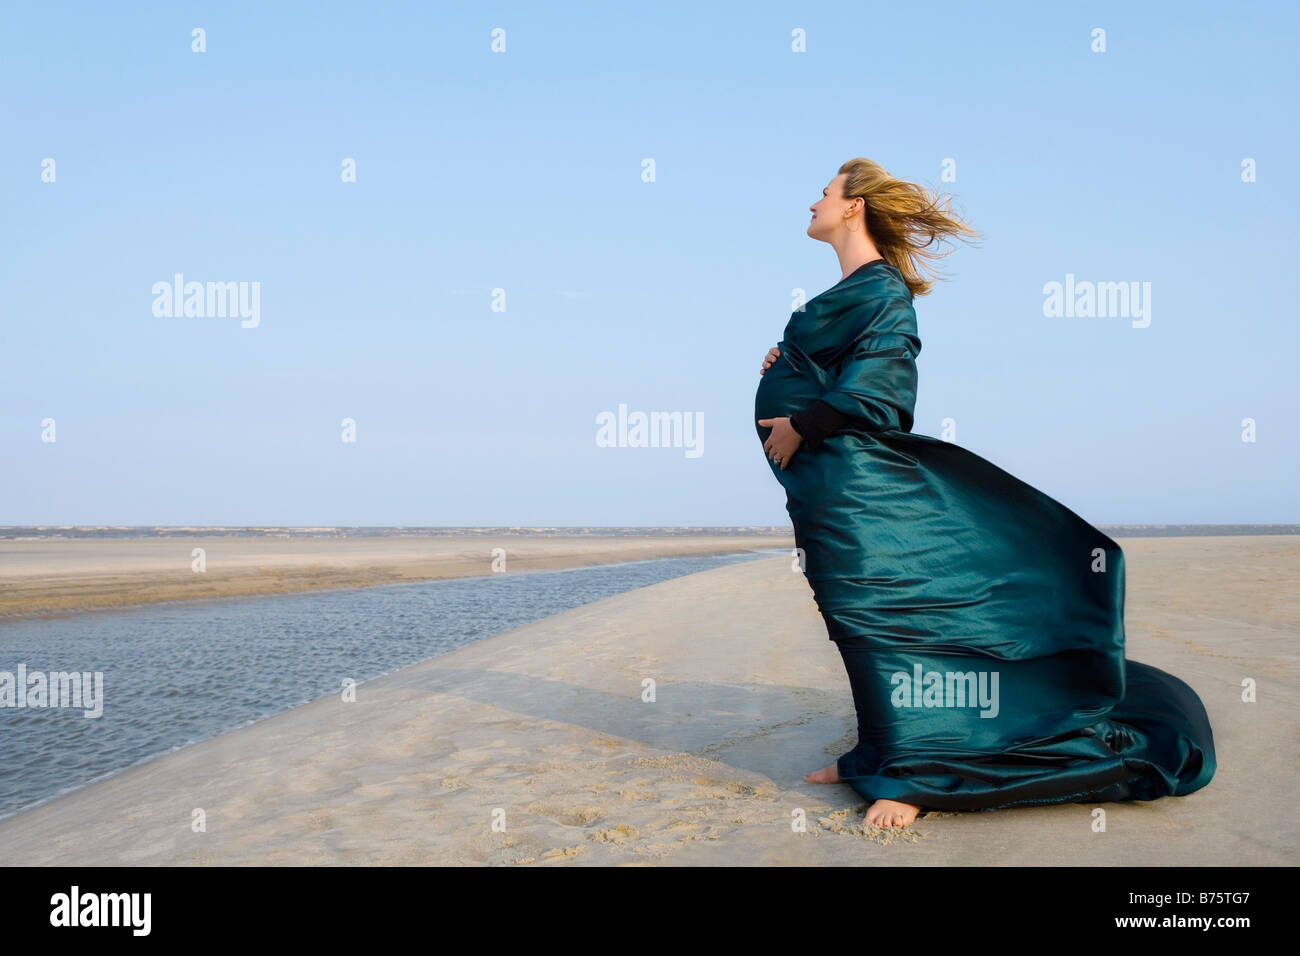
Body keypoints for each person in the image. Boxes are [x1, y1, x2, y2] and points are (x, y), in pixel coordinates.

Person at [754, 157, 1216, 828]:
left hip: (859, 491)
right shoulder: (851, 289)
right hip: (826, 489)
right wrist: (788, 357)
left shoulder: (882, 289)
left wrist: (802, 421)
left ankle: (914, 777)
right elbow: (836, 361)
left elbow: (880, 390)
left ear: (854, 207)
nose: (811, 204)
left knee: (882, 619)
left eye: (823, 194)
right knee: (851, 620)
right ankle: (874, 754)